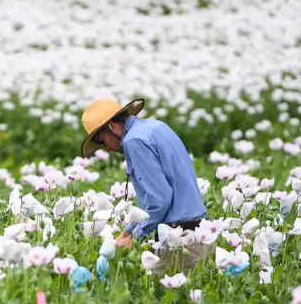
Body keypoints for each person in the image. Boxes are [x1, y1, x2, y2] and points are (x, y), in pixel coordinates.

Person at [80, 98, 208, 274]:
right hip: (200, 232)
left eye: (102, 141)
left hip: (178, 238)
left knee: (163, 298)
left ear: (111, 127)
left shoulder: (133, 141)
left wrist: (135, 238)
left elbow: (159, 200)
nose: (107, 149)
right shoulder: (155, 127)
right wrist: (128, 230)